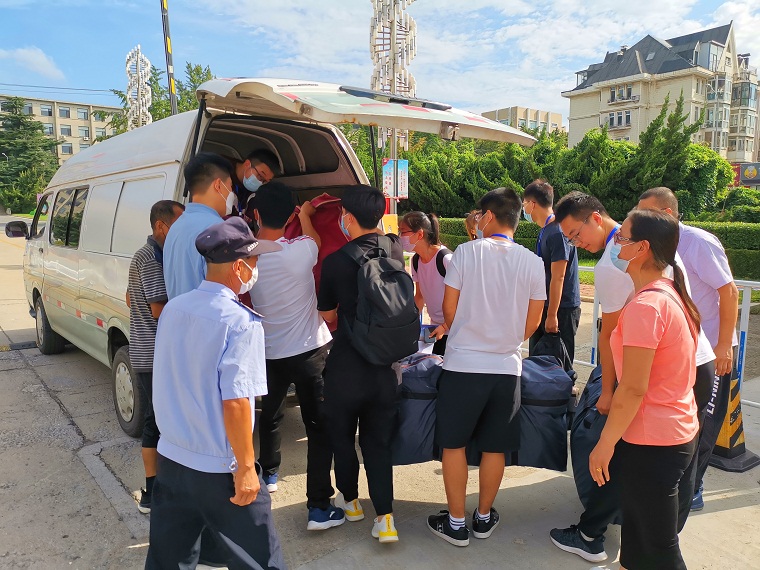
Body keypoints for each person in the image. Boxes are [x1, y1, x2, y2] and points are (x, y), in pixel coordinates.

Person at [147, 217, 285, 569]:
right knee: (259, 560)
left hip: (172, 459)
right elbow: (237, 402)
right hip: (218, 467)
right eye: (254, 261)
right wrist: (246, 468)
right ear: (238, 267)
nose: (255, 269)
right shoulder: (240, 322)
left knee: (169, 560)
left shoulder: (174, 308)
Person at [427, 187, 546, 547]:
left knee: (454, 445)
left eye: (479, 214)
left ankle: (456, 523)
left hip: (462, 364)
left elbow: (449, 310)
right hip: (506, 367)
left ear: (489, 216)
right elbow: (533, 321)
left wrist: (469, 332)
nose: (477, 220)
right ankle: (482, 517)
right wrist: (505, 339)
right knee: (495, 447)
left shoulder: (465, 253)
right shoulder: (533, 262)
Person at [589, 209, 700, 570]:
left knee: (660, 549)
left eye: (622, 238)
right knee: (638, 541)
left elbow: (634, 388)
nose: (615, 244)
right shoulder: (667, 294)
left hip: (655, 441)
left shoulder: (647, 306)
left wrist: (605, 444)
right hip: (669, 433)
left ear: (642, 249)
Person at [248, 182, 342, 531]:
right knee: (318, 428)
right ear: (289, 215)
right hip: (310, 352)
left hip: (268, 353)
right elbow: (315, 240)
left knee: (270, 416)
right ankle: (318, 507)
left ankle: (269, 474)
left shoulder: (246, 257)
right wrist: (305, 216)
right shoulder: (301, 250)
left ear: (256, 214)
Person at [638, 186, 737, 511]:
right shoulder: (658, 245)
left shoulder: (698, 242)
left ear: (666, 214)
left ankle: (693, 488)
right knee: (683, 423)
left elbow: (729, 292)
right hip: (683, 354)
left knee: (704, 427)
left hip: (712, 352)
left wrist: (724, 345)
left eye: (647, 213)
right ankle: (681, 484)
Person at [317, 184, 403, 543]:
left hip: (347, 367)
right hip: (386, 368)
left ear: (347, 217)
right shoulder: (395, 250)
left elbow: (327, 314)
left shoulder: (335, 262)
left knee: (342, 437)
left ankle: (351, 503)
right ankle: (385, 520)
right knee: (377, 444)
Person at [125, 199, 184, 514]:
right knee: (156, 422)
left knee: (158, 419)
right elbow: (160, 309)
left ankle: (158, 489)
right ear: (161, 226)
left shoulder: (154, 255)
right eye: (178, 225)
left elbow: (129, 297)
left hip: (151, 351)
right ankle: (151, 492)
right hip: (153, 355)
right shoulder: (150, 258)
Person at [523, 180, 582, 362]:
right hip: (546, 305)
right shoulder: (546, 230)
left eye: (524, 203)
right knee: (538, 364)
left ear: (532, 204)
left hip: (561, 309)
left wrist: (552, 315)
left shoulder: (557, 231)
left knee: (558, 364)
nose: (523, 208)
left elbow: (559, 276)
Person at [163, 152, 235, 299]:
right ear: (218, 185)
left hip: (177, 312)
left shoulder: (175, 228)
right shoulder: (219, 230)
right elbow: (222, 297)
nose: (232, 194)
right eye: (230, 187)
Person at [399, 211, 453, 355]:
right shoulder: (416, 261)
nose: (400, 236)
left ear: (420, 234)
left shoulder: (446, 259)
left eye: (403, 231)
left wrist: (445, 326)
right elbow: (419, 296)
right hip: (436, 328)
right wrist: (409, 323)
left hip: (453, 330)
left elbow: (465, 299)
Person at [232, 149, 280, 214]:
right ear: (247, 164)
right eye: (260, 176)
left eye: (265, 181)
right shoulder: (221, 171)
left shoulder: (253, 194)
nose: (260, 183)